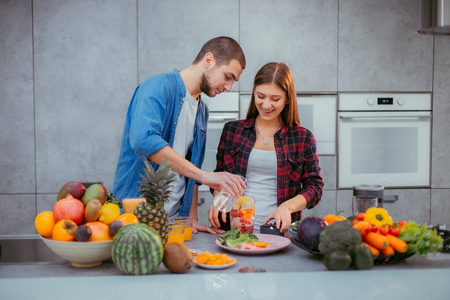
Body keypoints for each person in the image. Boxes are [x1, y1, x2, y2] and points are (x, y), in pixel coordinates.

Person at [112, 36, 247, 234]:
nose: (228, 87)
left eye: (233, 81)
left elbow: (191, 168)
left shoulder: (202, 111)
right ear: (208, 60)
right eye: (228, 77)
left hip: (175, 224)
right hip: (135, 221)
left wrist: (191, 218)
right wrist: (206, 176)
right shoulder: (157, 87)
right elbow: (144, 140)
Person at [208, 62, 324, 233]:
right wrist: (219, 201)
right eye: (261, 96)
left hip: (280, 232)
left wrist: (287, 207)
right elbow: (219, 176)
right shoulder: (232, 130)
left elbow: (315, 187)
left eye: (275, 99)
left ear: (287, 99)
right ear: (254, 92)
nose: (266, 105)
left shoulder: (302, 137)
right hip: (231, 231)